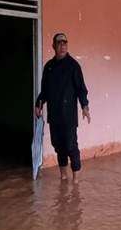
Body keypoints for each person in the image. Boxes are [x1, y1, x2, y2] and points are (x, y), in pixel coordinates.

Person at [35, 33, 91, 183]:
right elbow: (44, 90)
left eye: (65, 42)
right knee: (58, 145)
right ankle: (63, 177)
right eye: (59, 43)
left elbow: (81, 89)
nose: (63, 45)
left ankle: (76, 179)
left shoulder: (73, 66)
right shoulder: (49, 67)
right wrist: (38, 104)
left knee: (71, 145)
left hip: (69, 116)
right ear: (53, 46)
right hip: (54, 115)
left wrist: (85, 106)